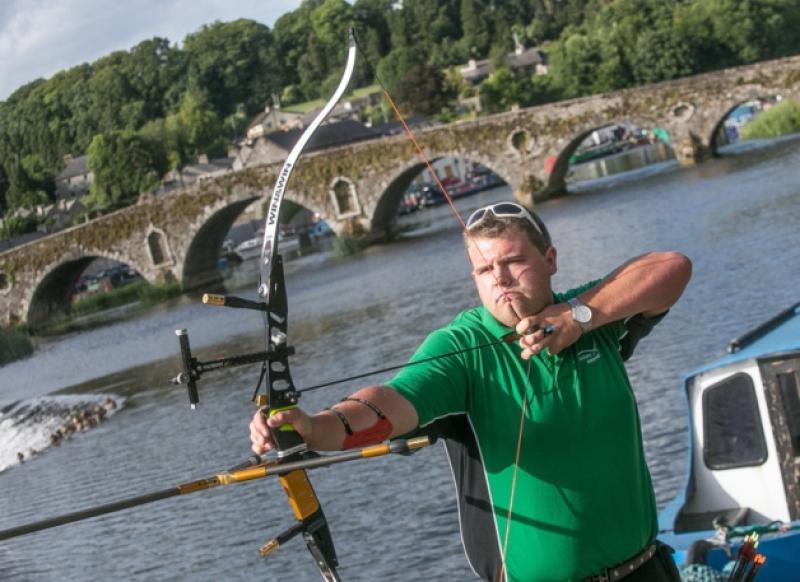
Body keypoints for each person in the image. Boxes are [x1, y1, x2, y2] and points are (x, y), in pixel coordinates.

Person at [250, 201, 692, 582]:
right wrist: (312, 428)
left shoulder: (592, 315)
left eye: (512, 261)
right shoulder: (461, 349)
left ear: (550, 259)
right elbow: (387, 402)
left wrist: (580, 317)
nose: (499, 278)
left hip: (647, 570)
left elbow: (673, 267)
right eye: (484, 269)